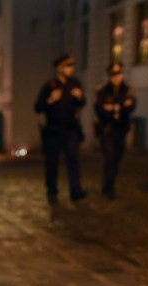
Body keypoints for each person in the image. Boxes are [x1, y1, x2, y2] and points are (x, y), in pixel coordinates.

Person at [35, 53, 88, 203]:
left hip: (71, 128)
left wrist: (80, 97)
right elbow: (38, 107)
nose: (71, 69)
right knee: (52, 161)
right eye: (68, 66)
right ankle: (52, 190)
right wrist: (50, 100)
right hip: (53, 129)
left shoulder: (75, 83)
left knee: (73, 159)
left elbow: (82, 103)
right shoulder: (50, 85)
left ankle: (75, 190)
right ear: (59, 68)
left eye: (72, 65)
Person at [94, 63, 136, 199]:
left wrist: (113, 108)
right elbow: (100, 110)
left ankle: (109, 182)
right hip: (106, 129)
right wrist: (120, 107)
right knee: (109, 157)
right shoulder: (103, 91)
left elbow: (130, 107)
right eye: (113, 75)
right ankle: (109, 186)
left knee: (116, 158)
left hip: (121, 129)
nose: (116, 78)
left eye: (118, 74)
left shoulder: (128, 90)